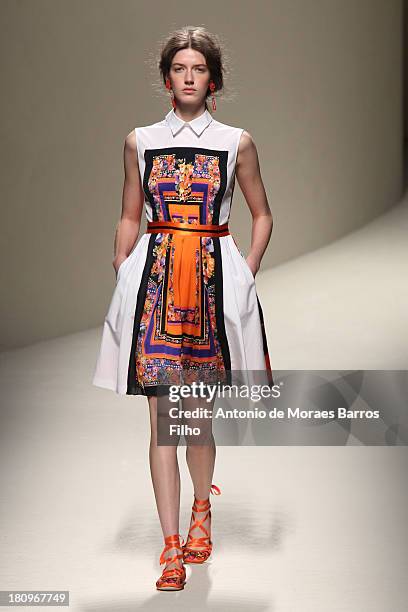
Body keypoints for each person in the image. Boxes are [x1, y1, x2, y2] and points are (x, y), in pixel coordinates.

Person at [92, 25, 273, 591]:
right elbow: (129, 211)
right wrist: (123, 264)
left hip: (213, 289)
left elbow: (262, 213)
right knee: (161, 420)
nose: (189, 77)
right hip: (155, 285)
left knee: (195, 418)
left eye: (198, 68)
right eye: (179, 68)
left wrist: (246, 271)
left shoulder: (236, 142)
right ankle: (171, 546)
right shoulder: (139, 141)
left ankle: (201, 509)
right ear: (167, 77)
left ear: (212, 79)